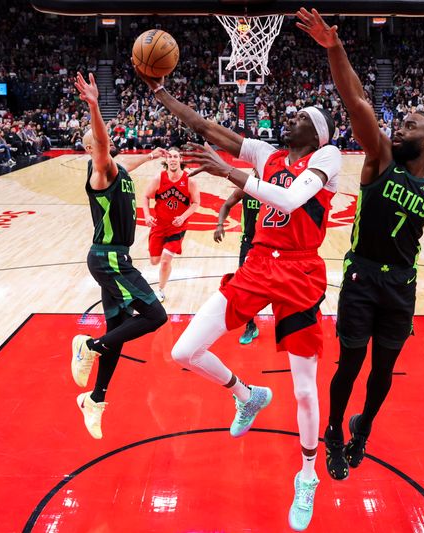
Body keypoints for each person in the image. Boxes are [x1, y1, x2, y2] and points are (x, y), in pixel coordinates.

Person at [295, 8, 424, 485]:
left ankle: (362, 429)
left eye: (410, 125)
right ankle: (332, 430)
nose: (400, 128)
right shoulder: (380, 156)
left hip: (400, 285)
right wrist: (335, 48)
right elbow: (356, 103)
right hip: (361, 277)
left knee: (383, 371)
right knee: (349, 364)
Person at [137, 67, 341, 532]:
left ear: (318, 132)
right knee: (183, 351)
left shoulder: (327, 158)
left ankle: (307, 476)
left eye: (302, 117)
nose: (291, 118)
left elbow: (290, 202)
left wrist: (228, 171)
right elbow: (209, 129)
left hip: (301, 271)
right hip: (258, 263)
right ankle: (247, 396)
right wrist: (162, 92)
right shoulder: (267, 153)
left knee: (306, 390)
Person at [69, 72, 168, 440]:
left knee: (118, 330)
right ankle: (87, 345)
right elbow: (106, 149)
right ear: (96, 151)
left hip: (113, 258)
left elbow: (128, 162)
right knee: (155, 315)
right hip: (109, 258)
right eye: (101, 146)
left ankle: (94, 399)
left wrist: (152, 155)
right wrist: (94, 105)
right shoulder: (100, 173)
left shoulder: (119, 169)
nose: (107, 150)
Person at [141, 147, 200, 302]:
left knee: (166, 260)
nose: (173, 159)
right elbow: (146, 197)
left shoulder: (190, 180)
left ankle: (160, 290)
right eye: (170, 157)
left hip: (178, 227)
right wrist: (147, 215)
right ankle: (163, 264)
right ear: (166, 161)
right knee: (155, 261)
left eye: (175, 156)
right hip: (159, 225)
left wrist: (183, 216)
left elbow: (195, 203)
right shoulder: (159, 178)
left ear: (180, 159)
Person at [214, 186, 262, 345]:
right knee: (245, 287)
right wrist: (220, 224)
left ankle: (284, 324)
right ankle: (250, 325)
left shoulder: (276, 185)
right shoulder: (246, 186)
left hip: (270, 244)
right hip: (249, 243)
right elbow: (226, 205)